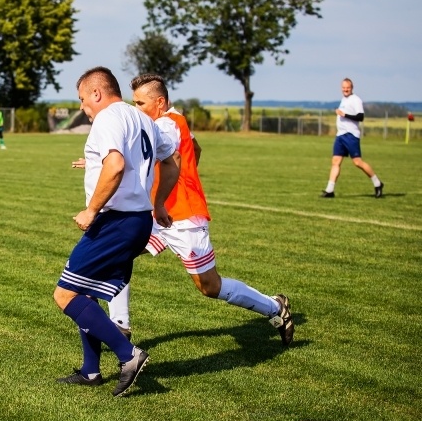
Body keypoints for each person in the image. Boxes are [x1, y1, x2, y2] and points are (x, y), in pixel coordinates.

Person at [100, 73, 294, 347]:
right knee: (118, 254)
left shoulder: (166, 125)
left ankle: (275, 307)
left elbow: (151, 149)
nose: (136, 109)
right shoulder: (173, 120)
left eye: (141, 104)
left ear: (160, 102)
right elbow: (195, 147)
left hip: (183, 217)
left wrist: (105, 157)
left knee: (209, 286)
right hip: (158, 214)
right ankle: (120, 327)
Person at [54, 66, 180, 397]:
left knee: (65, 294)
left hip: (116, 221)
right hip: (138, 220)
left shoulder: (108, 117)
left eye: (83, 99)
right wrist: (161, 204)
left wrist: (91, 210)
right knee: (87, 291)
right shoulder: (142, 120)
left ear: (97, 93)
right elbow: (171, 161)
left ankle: (129, 356)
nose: (83, 107)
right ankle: (91, 371)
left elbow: (116, 165)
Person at [321, 78, 383, 198]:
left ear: (352, 88)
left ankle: (378, 183)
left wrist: (344, 115)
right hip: (340, 135)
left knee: (357, 162)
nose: (345, 89)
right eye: (343, 87)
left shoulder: (356, 100)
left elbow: (360, 117)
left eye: (347, 87)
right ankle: (330, 190)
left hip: (351, 135)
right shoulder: (344, 99)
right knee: (335, 162)